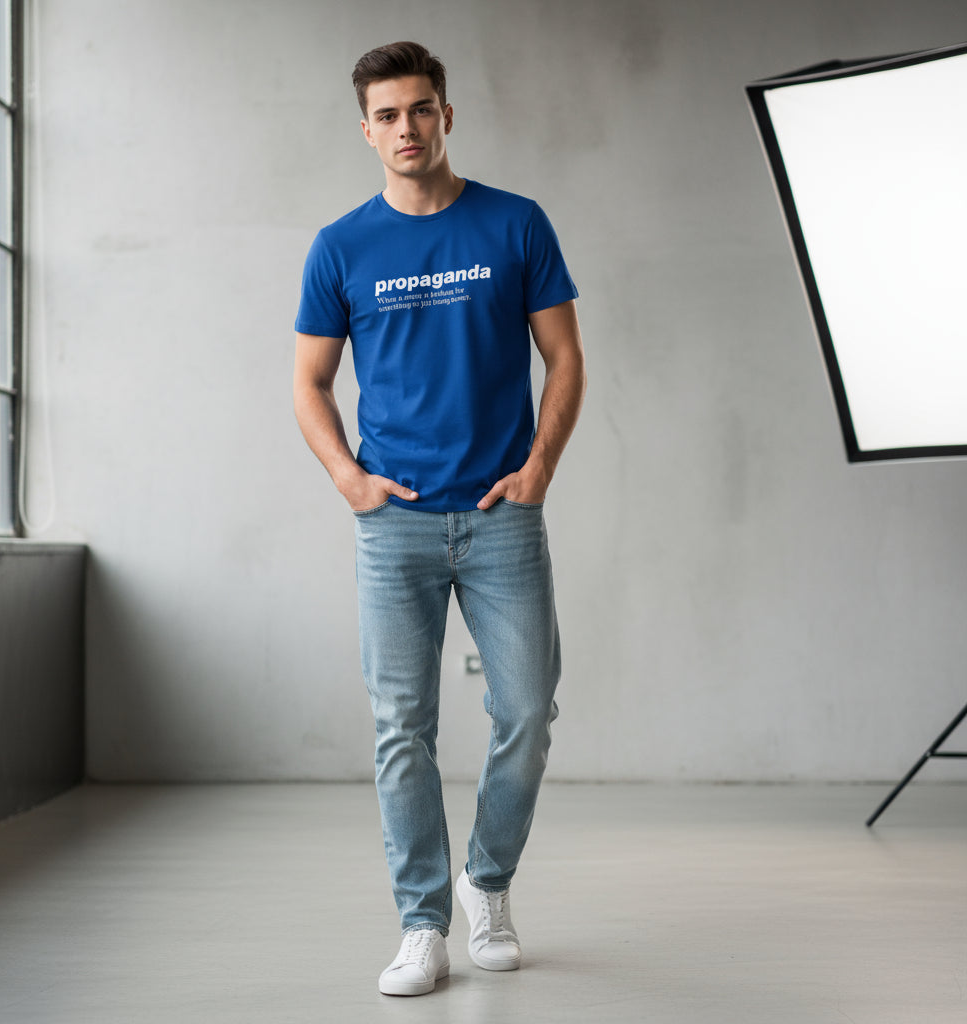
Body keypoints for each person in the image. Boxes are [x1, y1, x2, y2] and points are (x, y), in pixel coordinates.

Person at [293, 40, 586, 997]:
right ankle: (422, 925)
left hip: (501, 516)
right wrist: (349, 479)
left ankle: (485, 882)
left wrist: (540, 465)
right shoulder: (342, 246)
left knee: (527, 711)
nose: (406, 129)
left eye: (421, 109)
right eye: (387, 115)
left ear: (447, 115)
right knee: (399, 727)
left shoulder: (514, 224)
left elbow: (566, 357)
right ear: (366, 128)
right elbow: (309, 381)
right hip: (396, 525)